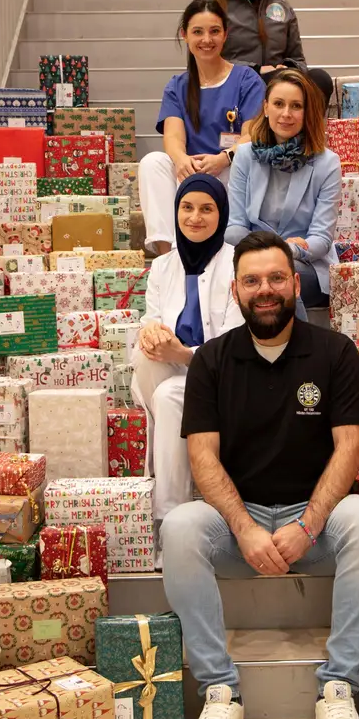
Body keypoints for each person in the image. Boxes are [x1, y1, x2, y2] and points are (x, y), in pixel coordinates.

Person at [162, 231, 359, 719]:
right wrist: (244, 528)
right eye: (252, 280)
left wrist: (307, 526)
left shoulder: (335, 352)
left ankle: (337, 687)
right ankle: (221, 691)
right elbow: (202, 459)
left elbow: (350, 446)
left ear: (295, 283)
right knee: (179, 528)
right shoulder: (212, 362)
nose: (266, 290)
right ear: (235, 291)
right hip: (239, 525)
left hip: (315, 523)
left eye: (276, 278)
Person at [131, 175, 246, 533]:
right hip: (166, 377)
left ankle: (168, 522)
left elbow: (232, 345)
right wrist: (151, 333)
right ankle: (174, 522)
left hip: (222, 380)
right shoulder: (163, 266)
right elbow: (151, 317)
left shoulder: (237, 264)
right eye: (187, 207)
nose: (195, 217)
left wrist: (183, 354)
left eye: (207, 209)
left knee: (169, 397)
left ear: (221, 214)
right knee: (148, 356)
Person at [139, 0, 268, 256]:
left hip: (229, 171)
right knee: (152, 162)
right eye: (197, 32)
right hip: (190, 172)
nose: (206, 39)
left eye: (214, 31)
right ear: (184, 35)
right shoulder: (177, 86)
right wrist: (181, 160)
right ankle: (170, 254)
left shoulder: (246, 79)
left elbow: (252, 134)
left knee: (246, 156)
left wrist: (223, 158)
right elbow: (173, 137)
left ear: (225, 34)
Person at [225, 68, 342, 312]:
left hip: (304, 263)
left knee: (279, 280)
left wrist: (288, 251)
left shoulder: (327, 163)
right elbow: (234, 227)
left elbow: (320, 239)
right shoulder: (245, 156)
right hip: (253, 255)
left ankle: (290, 348)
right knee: (241, 275)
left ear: (307, 112)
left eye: (296, 106)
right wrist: (269, 250)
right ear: (266, 108)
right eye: (279, 104)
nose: (286, 114)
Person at [201, 0, 335, 108]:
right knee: (269, 85)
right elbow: (204, 59)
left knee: (320, 79)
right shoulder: (212, 2)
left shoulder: (281, 5)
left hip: (277, 88)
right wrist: (255, 70)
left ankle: (301, 136)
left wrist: (287, 70)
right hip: (232, 86)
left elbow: (298, 60)